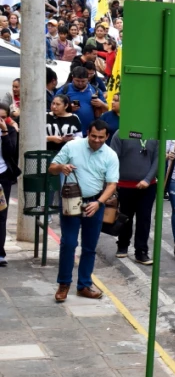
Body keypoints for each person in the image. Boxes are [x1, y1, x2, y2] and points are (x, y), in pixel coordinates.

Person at [49, 120, 118, 302]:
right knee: (69, 243)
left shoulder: (110, 155)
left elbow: (112, 185)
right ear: (88, 132)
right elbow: (52, 168)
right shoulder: (71, 146)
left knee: (89, 246)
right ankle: (64, 284)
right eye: (93, 136)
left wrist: (99, 203)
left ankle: (84, 285)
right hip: (70, 202)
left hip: (93, 203)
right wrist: (61, 167)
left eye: (100, 137)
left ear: (107, 137)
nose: (96, 140)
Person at [109, 136, 158, 265]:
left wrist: (147, 179)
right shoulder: (121, 133)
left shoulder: (155, 135)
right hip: (125, 185)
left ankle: (141, 251)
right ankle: (123, 244)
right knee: (125, 216)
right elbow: (112, 159)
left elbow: (157, 159)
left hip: (148, 186)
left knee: (144, 218)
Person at [58, 66, 107, 132]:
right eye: (77, 81)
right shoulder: (64, 90)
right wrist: (68, 108)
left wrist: (101, 104)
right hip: (69, 131)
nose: (80, 83)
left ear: (88, 79)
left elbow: (107, 109)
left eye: (83, 81)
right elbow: (54, 108)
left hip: (89, 131)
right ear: (73, 78)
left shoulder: (95, 90)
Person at [0, 107, 17, 266]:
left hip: (3, 176)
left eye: (3, 118)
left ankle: (0, 252)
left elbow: (10, 152)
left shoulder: (10, 131)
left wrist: (4, 133)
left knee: (1, 215)